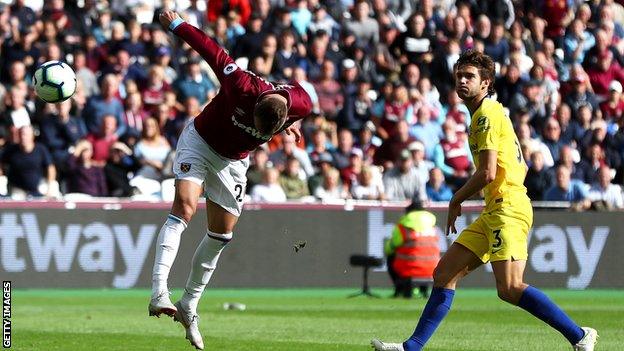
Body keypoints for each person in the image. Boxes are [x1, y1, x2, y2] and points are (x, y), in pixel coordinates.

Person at [372, 50, 597, 351]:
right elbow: (515, 165)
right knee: (444, 273)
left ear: (486, 83)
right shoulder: (485, 115)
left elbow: (488, 172)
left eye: (470, 77)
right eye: (459, 76)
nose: (462, 81)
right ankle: (411, 347)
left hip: (508, 207)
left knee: (510, 288)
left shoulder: (487, 115)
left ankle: (580, 336)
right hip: (496, 208)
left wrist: (456, 199)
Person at [148, 11, 312, 351]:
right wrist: (176, 24)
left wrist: (287, 128)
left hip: (234, 162)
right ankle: (158, 291)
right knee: (185, 207)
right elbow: (210, 48)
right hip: (201, 139)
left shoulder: (303, 104)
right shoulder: (240, 83)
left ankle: (189, 303)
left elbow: (292, 117)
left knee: (221, 234)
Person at [384, 199, 439, 299]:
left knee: (390, 256)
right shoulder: (432, 227)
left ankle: (399, 289)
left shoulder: (403, 226)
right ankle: (423, 290)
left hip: (408, 269)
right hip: (433, 269)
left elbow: (390, 247)